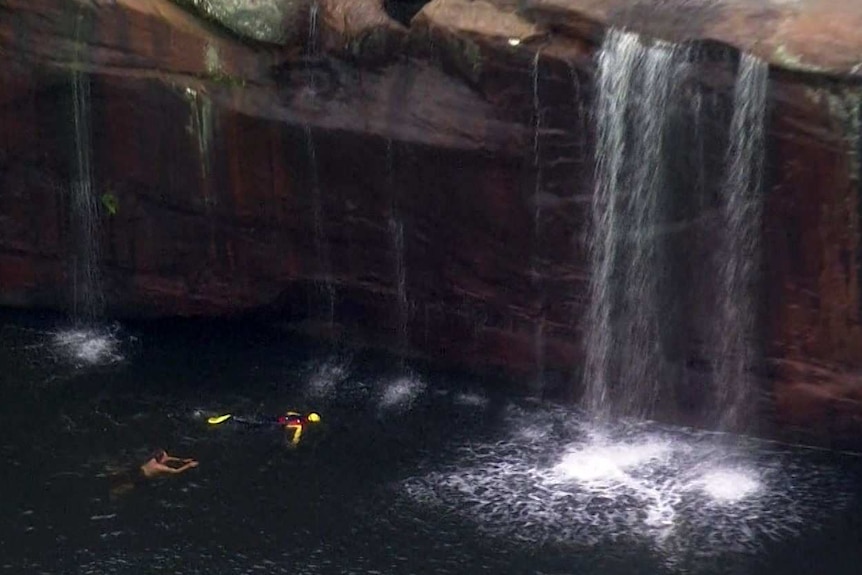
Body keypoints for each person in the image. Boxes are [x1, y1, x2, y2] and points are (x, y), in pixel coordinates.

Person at [109, 448, 198, 498]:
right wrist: (189, 465)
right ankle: (114, 494)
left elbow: (168, 458)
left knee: (125, 476)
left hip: (137, 470)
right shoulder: (160, 467)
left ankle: (112, 475)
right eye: (165, 457)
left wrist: (183, 460)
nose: (167, 458)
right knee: (130, 486)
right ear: (161, 459)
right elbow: (176, 471)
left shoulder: (153, 459)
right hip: (142, 477)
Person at [207, 411, 321, 446]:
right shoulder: (301, 425)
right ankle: (231, 417)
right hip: (273, 423)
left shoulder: (298, 415)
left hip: (274, 416)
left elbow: (289, 412)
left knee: (254, 424)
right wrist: (294, 444)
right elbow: (296, 435)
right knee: (253, 425)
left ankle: (235, 420)